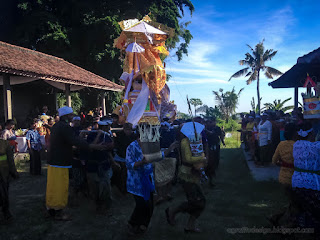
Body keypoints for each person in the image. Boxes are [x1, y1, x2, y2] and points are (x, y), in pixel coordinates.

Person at [46, 106, 102, 220]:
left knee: (52, 186)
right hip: (60, 162)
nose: (72, 117)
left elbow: (68, 139)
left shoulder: (57, 126)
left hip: (54, 161)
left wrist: (77, 138)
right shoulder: (65, 127)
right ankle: (58, 212)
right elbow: (74, 141)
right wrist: (91, 145)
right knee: (60, 187)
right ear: (66, 116)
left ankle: (51, 208)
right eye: (71, 115)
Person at [126, 130, 177, 235]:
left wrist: (170, 148)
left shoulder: (148, 146)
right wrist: (142, 162)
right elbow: (129, 164)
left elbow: (158, 156)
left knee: (149, 204)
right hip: (136, 181)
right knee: (142, 204)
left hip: (148, 179)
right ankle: (132, 223)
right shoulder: (132, 147)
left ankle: (143, 225)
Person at [165, 130, 207, 233]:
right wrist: (201, 158)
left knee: (200, 201)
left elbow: (199, 152)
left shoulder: (192, 141)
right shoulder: (184, 142)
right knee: (196, 201)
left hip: (193, 173)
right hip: (186, 175)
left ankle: (190, 226)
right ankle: (173, 211)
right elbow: (188, 159)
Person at [291, 122, 320, 232]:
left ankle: (303, 228)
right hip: (313, 183)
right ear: (312, 133)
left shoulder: (296, 144)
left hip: (296, 181)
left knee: (303, 208)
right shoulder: (317, 146)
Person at [268, 123, 297, 226]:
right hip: (295, 179)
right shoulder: (299, 145)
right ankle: (286, 223)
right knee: (294, 203)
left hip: (283, 177)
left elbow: (274, 161)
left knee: (292, 201)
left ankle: (276, 217)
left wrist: (283, 164)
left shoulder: (281, 144)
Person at [86, 120, 115, 214]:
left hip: (104, 164)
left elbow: (110, 147)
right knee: (94, 187)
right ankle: (96, 205)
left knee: (106, 186)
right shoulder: (91, 135)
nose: (108, 128)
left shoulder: (108, 136)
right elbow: (91, 147)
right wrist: (99, 136)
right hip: (93, 165)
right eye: (106, 127)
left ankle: (106, 207)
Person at [112, 123, 135, 194]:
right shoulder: (119, 135)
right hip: (121, 157)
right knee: (122, 174)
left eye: (130, 129)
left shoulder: (134, 136)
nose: (128, 131)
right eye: (127, 129)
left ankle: (129, 188)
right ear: (124, 129)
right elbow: (116, 147)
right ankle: (123, 189)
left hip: (130, 157)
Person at [0, 138, 18, 224]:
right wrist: (14, 172)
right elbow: (10, 161)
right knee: (4, 194)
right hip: (3, 173)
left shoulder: (5, 143)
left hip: (3, 173)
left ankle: (6, 213)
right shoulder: (4, 143)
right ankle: (6, 213)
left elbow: (10, 160)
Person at [205, 117, 225, 186]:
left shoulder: (216, 128)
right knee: (209, 162)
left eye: (211, 122)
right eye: (208, 122)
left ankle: (213, 174)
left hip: (215, 145)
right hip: (207, 147)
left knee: (215, 160)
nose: (209, 123)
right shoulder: (205, 129)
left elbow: (215, 134)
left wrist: (223, 142)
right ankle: (210, 177)